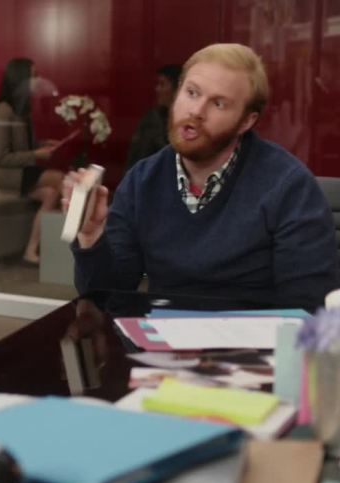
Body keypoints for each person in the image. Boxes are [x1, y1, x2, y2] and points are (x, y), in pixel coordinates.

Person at [64, 43, 338, 308]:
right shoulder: (142, 180)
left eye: (218, 103)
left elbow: (308, 308)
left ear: (246, 121)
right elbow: (109, 296)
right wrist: (91, 236)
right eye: (192, 93)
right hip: (163, 334)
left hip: (253, 338)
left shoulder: (289, 186)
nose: (196, 111)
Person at [0, 57, 59, 264]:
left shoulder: (22, 110)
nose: (38, 79)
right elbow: (1, 157)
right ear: (21, 79)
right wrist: (37, 154)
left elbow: (23, 146)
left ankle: (30, 252)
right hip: (0, 175)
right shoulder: (3, 110)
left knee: (51, 194)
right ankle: (68, 248)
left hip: (16, 172)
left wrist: (43, 144)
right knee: (60, 179)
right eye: (34, 75)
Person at [125, 64, 182, 169]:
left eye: (162, 84)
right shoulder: (151, 120)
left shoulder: (185, 121)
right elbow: (137, 157)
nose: (157, 89)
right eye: (158, 84)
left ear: (177, 88)